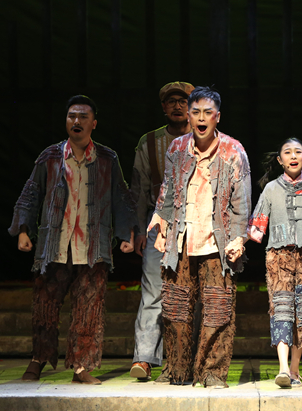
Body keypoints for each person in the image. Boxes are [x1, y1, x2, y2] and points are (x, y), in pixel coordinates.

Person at [9, 95, 138, 385]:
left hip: (92, 247)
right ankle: (38, 359)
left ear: (94, 123)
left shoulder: (106, 158)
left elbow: (121, 196)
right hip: (55, 245)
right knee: (45, 307)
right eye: (71, 116)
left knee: (88, 310)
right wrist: (23, 229)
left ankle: (81, 367)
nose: (76, 121)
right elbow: (31, 193)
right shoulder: (51, 157)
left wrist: (126, 233)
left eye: (82, 117)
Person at [149, 86, 252, 388]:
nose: (202, 118)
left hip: (217, 243)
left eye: (208, 112)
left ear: (218, 116)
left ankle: (211, 372)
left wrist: (238, 238)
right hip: (182, 239)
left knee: (218, 309)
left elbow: (241, 202)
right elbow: (168, 191)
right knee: (175, 308)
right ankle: (176, 370)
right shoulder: (177, 147)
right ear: (189, 116)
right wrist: (162, 224)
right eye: (196, 112)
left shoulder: (233, 150)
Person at [246, 138, 302, 388]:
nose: (293, 156)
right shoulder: (271, 188)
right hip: (279, 259)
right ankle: (283, 368)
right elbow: (257, 224)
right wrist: (240, 242)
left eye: (298, 152)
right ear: (279, 159)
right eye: (287, 152)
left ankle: (295, 369)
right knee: (282, 309)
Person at [129, 81, 194, 382]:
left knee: (193, 291)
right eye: (172, 101)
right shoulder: (150, 141)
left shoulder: (204, 137)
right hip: (159, 225)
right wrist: (139, 230)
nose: (178, 106)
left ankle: (190, 357)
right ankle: (144, 357)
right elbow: (139, 189)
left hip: (195, 224)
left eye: (184, 101)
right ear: (164, 107)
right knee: (153, 290)